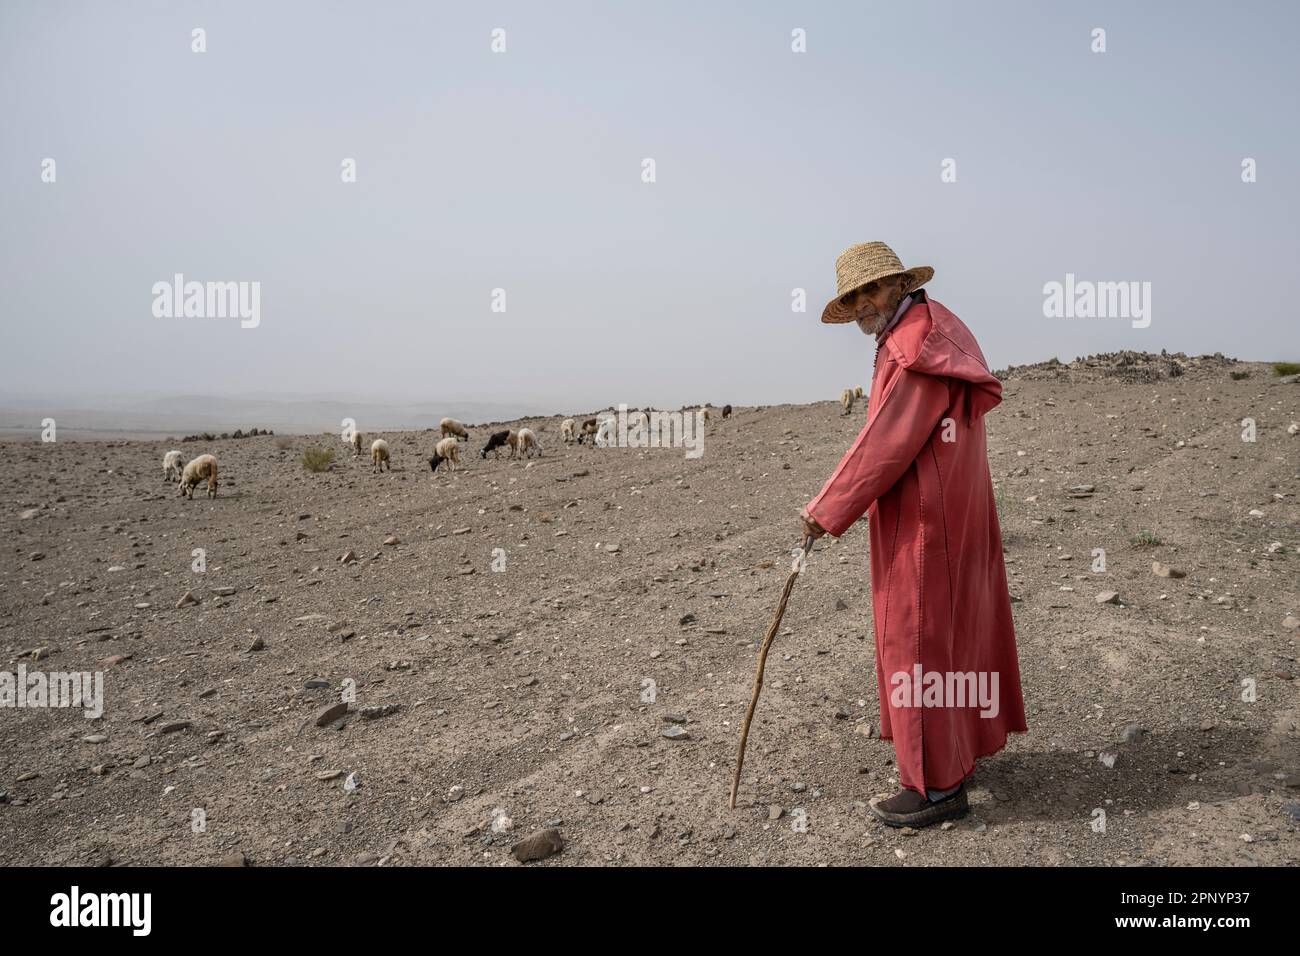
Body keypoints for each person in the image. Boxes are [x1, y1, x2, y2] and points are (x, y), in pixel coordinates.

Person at [801, 241, 1027, 828]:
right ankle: (957, 754)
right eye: (852, 297)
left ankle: (935, 787)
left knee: (917, 640)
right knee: (952, 634)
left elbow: (886, 443)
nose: (861, 304)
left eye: (871, 290)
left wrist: (825, 510)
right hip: (955, 510)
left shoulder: (912, 350)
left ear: (899, 285)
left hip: (924, 521)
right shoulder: (934, 330)